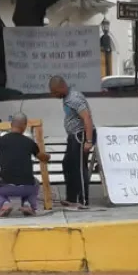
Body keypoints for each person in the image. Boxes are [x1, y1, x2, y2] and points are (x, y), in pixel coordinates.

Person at [48, 75, 96, 208]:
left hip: (81, 136)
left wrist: (88, 140)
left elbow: (87, 118)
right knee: (68, 164)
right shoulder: (67, 98)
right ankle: (71, 197)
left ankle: (83, 201)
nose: (54, 95)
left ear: (62, 87)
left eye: (55, 92)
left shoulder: (74, 99)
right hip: (73, 136)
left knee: (79, 168)